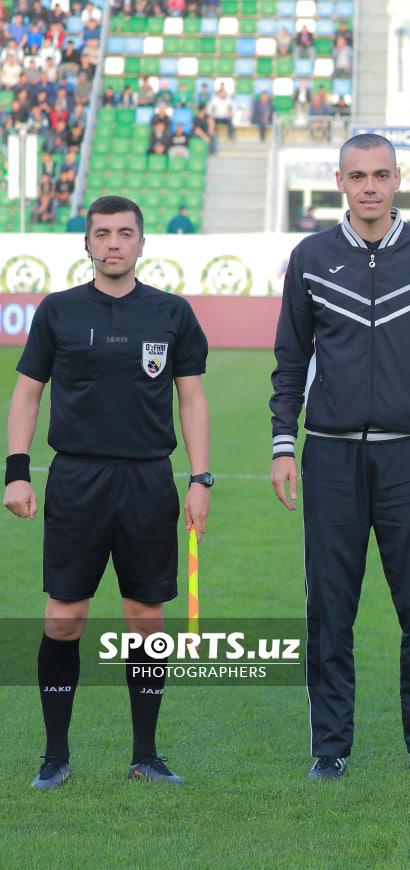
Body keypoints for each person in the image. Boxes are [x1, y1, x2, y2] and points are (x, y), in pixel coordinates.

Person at [269, 133, 410, 781]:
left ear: (396, 180)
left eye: (381, 175)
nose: (370, 187)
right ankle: (330, 749)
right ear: (340, 181)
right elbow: (290, 360)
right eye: (358, 175)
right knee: (330, 608)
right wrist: (283, 446)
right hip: (330, 458)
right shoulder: (311, 257)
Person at [5, 195, 211, 790]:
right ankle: (54, 755)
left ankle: (145, 754)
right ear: (88, 243)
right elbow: (26, 394)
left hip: (149, 479)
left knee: (146, 620)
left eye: (125, 233)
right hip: (76, 479)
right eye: (103, 234)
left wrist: (200, 479)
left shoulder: (172, 313)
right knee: (64, 619)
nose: (114, 243)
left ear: (142, 243)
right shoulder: (59, 311)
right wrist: (16, 471)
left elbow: (192, 400)